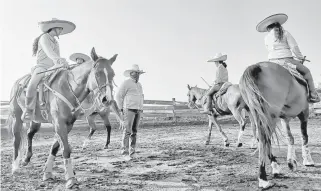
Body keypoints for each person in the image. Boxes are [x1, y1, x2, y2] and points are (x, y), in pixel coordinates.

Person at [256, 13, 320, 103]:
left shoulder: (266, 38)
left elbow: (269, 50)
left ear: (268, 28)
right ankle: (313, 95)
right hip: (287, 60)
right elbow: (294, 47)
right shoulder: (285, 33)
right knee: (307, 72)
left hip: (271, 62)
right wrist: (300, 58)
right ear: (278, 24)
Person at [21, 18, 76, 122]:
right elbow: (49, 52)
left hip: (54, 68)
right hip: (42, 67)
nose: (61, 31)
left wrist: (62, 63)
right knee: (32, 84)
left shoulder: (56, 42)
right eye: (60, 29)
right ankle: (28, 109)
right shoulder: (44, 38)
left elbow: (57, 56)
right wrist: (59, 60)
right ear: (54, 28)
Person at [116, 64, 145, 158]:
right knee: (127, 131)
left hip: (138, 110)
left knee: (134, 131)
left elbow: (141, 97)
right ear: (131, 73)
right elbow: (119, 96)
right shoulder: (126, 83)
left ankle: (132, 151)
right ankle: (124, 151)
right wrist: (120, 109)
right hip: (129, 109)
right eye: (136, 73)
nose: (137, 75)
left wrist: (141, 108)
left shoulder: (139, 85)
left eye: (138, 73)